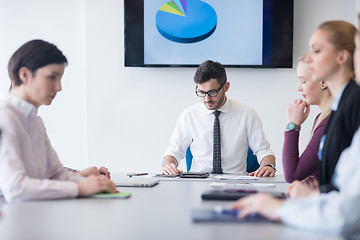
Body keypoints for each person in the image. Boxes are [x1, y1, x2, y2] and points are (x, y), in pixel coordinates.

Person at [230, 21, 360, 237]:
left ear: (342, 57)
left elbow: (345, 209)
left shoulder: (348, 109)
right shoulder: (334, 112)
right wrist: (315, 197)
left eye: (316, 51)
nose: (309, 59)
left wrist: (293, 126)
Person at [0, 39, 117, 203]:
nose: (59, 87)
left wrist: (95, 184)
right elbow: (15, 188)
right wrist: (80, 188)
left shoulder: (35, 121)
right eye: (52, 77)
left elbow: (57, 175)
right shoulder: (5, 116)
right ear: (24, 74)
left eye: (60, 78)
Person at [162, 60, 276, 177]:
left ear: (226, 87)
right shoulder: (189, 115)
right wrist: (168, 165)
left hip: (234, 183)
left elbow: (264, 151)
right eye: (201, 92)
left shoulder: (247, 114)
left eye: (212, 92)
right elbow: (173, 152)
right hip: (198, 182)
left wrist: (268, 166)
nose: (207, 99)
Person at [282, 55, 332, 182]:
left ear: (323, 82)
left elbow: (292, 175)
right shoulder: (321, 118)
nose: (299, 88)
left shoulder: (328, 122)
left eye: (303, 81)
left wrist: (292, 125)